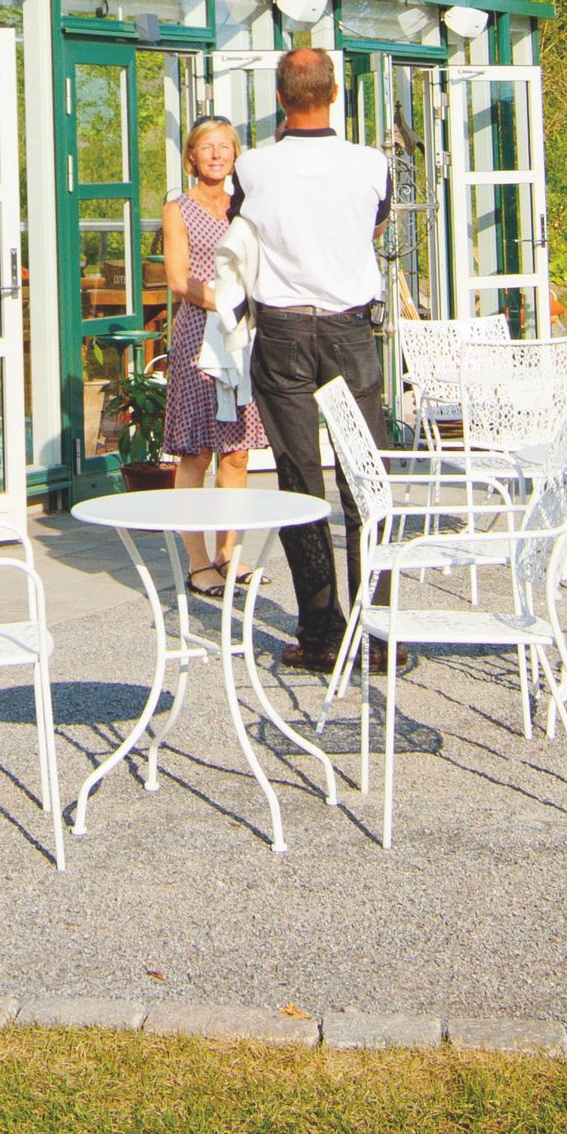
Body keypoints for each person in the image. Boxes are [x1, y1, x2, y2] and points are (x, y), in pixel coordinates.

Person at [224, 47, 391, 670]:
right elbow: (372, 226)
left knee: (299, 481)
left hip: (284, 331)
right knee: (365, 481)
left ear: (279, 98)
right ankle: (377, 634)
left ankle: (321, 633)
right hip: (349, 329)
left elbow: (243, 230)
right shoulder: (371, 163)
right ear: (335, 93)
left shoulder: (254, 166)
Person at [157, 116, 252, 592]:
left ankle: (228, 554)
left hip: (241, 338)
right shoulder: (178, 209)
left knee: (237, 453)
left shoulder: (246, 208)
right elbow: (179, 281)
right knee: (196, 451)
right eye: (206, 147)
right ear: (191, 157)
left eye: (224, 147)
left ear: (235, 155)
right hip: (199, 335)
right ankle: (197, 561)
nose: (216, 155)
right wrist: (228, 303)